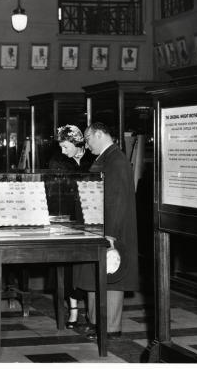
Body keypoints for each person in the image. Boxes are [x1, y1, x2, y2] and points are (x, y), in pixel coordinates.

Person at [75, 122, 139, 340]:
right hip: (98, 227)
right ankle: (96, 323)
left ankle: (110, 328)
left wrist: (109, 234)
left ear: (100, 134)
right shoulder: (105, 157)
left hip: (112, 231)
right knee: (96, 277)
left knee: (112, 278)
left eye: (88, 138)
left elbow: (117, 200)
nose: (86, 143)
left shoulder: (116, 159)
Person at [48, 124, 96, 329]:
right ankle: (73, 309)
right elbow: (53, 190)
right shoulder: (57, 160)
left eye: (66, 146)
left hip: (91, 216)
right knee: (68, 265)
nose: (62, 151)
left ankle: (92, 308)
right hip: (67, 216)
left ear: (77, 144)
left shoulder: (92, 158)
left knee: (88, 263)